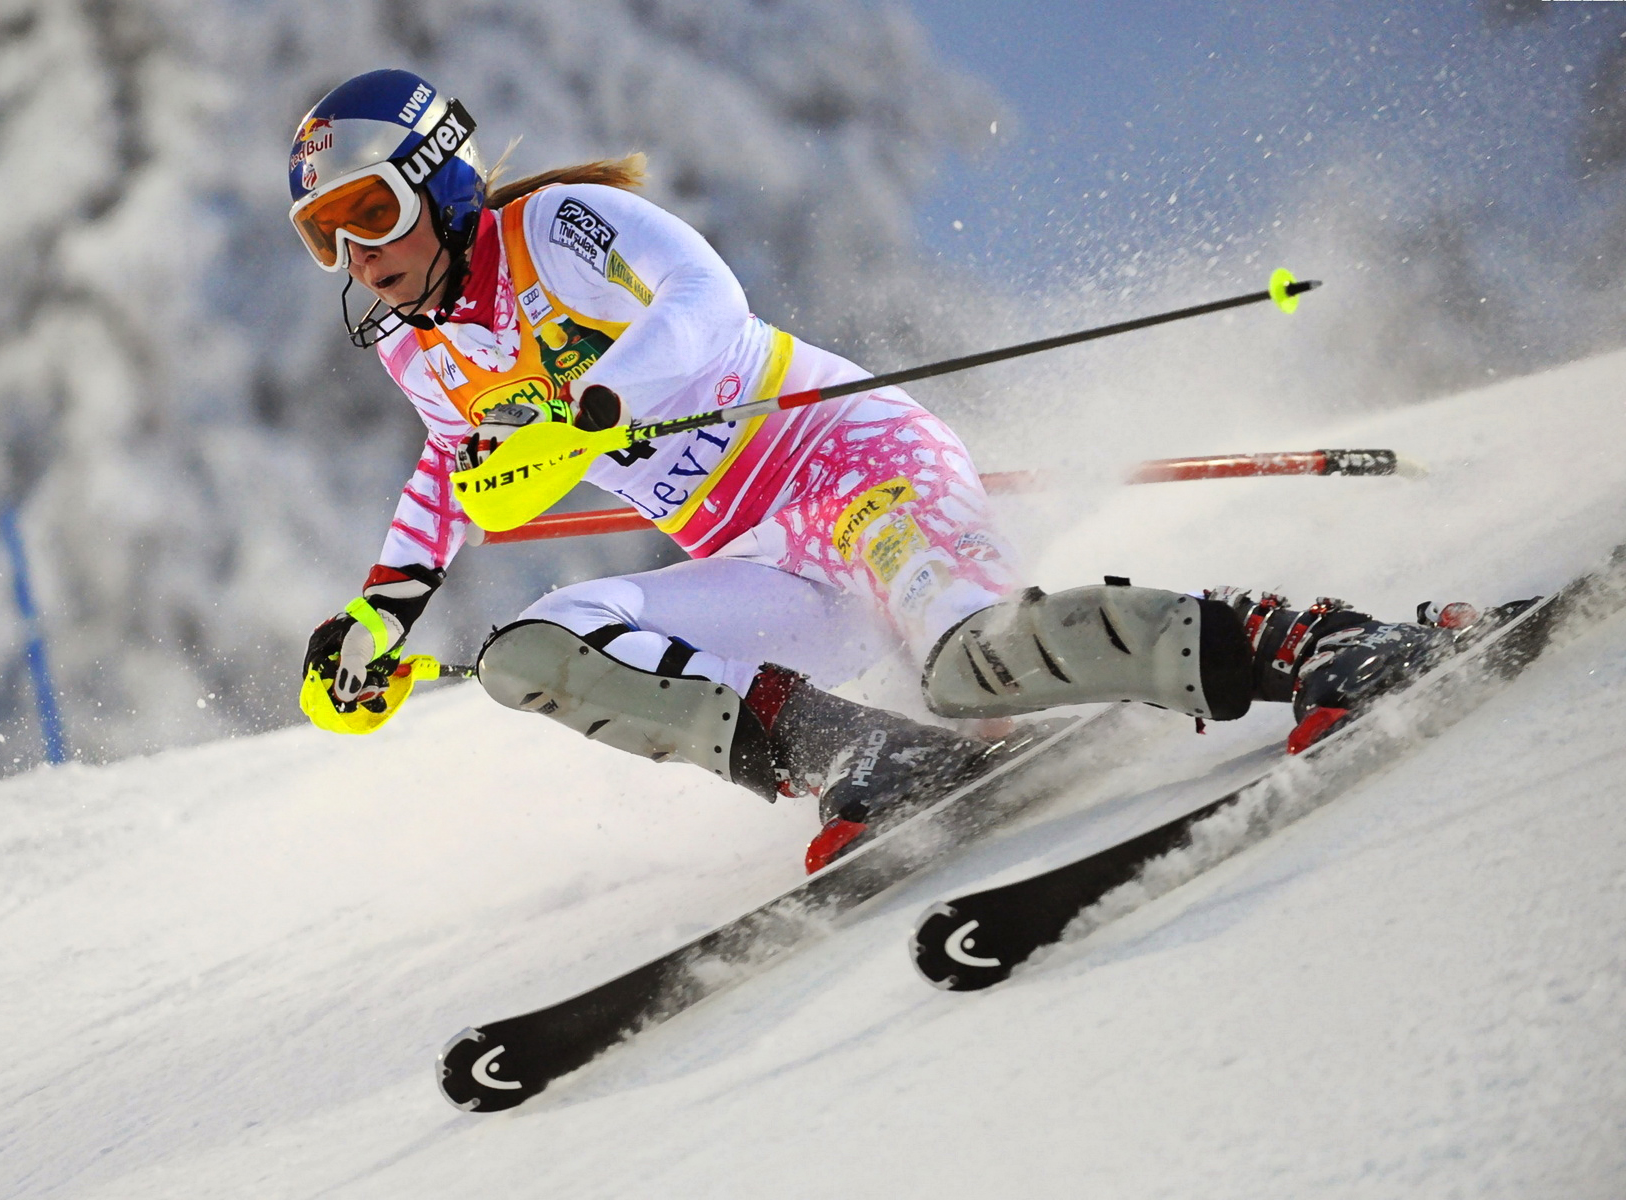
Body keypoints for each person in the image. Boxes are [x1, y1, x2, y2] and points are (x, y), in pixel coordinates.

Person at [290, 69, 1494, 872]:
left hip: (853, 465)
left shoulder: (552, 233)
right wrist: (378, 617)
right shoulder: (414, 343)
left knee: (972, 664)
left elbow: (709, 304)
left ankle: (1314, 641)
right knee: (530, 652)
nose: (357, 253)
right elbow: (457, 466)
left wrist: (605, 401)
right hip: (756, 555)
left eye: (371, 210)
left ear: (442, 179)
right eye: (324, 236)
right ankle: (865, 756)